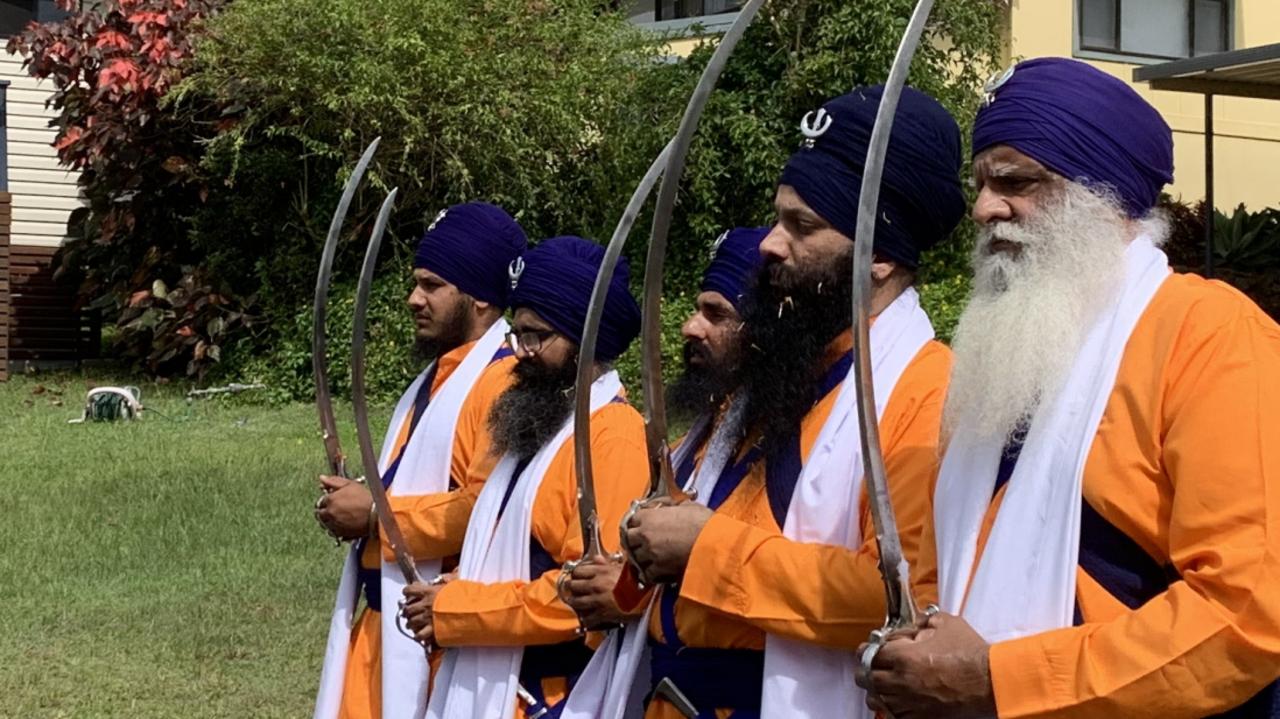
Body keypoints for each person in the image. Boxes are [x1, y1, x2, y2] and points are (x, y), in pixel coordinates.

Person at [861, 57, 1280, 719]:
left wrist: (1000, 679)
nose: (983, 208)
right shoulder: (1002, 354)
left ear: (1102, 195)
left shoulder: (1208, 334)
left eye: (1015, 181)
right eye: (979, 182)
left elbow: (1251, 609)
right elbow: (940, 586)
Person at [619, 86, 966, 718]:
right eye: (778, 219)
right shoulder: (782, 369)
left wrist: (706, 548)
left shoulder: (924, 390)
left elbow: (900, 596)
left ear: (879, 255)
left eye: (802, 226)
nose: (770, 244)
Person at [400, 235, 651, 719]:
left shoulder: (612, 435)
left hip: (547, 696)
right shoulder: (538, 423)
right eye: (518, 335)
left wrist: (457, 609)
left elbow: (588, 597)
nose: (522, 352)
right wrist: (459, 582)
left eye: (537, 336)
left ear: (586, 341)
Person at [312, 202, 527, 719]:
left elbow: (488, 513)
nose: (414, 299)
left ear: (479, 298)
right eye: (416, 283)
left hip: (434, 643)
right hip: (381, 627)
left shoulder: (502, 381)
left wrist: (372, 515)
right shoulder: (438, 376)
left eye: (433, 285)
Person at [558, 225, 767, 719]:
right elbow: (656, 576)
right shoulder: (692, 443)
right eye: (698, 309)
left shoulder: (781, 440)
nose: (690, 327)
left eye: (716, 314)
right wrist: (618, 588)